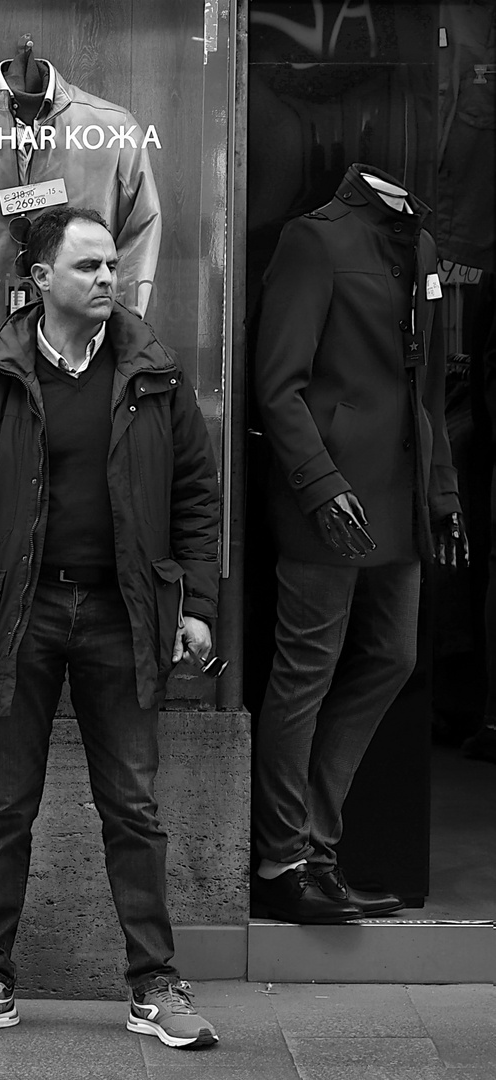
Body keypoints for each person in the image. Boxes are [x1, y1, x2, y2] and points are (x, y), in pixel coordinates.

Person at [0, 207, 222, 1049]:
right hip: (20, 614)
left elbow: (195, 497)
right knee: (4, 806)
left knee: (132, 804)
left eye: (110, 265)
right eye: (87, 265)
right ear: (40, 278)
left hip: (124, 613)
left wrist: (195, 604)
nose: (107, 278)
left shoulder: (151, 370)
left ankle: (153, 987)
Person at [250, 165, 464, 922]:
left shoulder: (423, 245)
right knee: (303, 671)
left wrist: (440, 491)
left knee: (393, 656)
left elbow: (428, 386)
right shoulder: (314, 240)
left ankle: (311, 840)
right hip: (330, 499)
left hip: (397, 498)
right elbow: (277, 383)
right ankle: (284, 862)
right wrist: (318, 482)